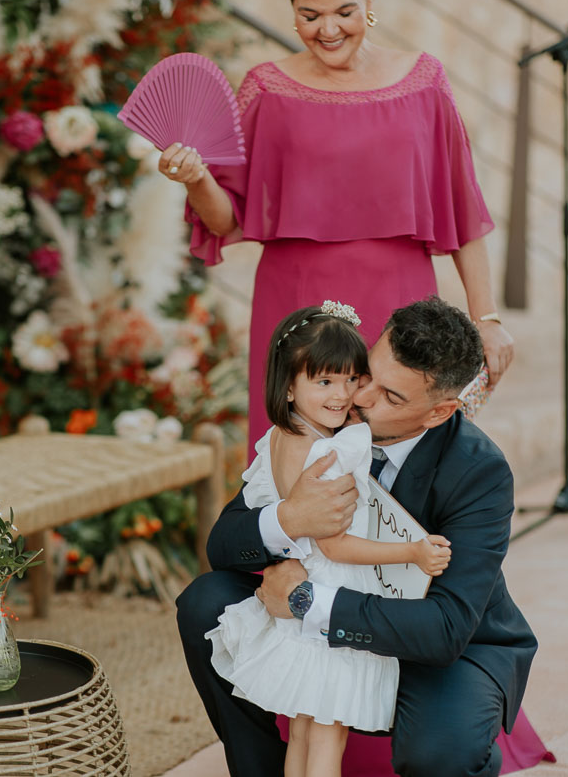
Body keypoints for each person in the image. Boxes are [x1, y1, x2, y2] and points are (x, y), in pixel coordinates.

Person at [177, 297, 541, 777]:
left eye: (392, 397)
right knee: (207, 604)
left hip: (437, 644)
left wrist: (310, 602)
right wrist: (290, 519)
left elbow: (446, 628)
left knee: (443, 753)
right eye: (366, 373)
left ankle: (467, 747)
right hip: (338, 614)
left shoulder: (479, 472)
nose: (360, 398)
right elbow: (223, 544)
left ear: (438, 412)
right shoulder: (318, 428)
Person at [157, 0, 515, 455]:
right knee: (299, 455)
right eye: (310, 16)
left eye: (343, 12)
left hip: (400, 300)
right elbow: (225, 217)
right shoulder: (265, 88)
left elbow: (461, 206)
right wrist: (196, 178)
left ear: (368, 2)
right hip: (296, 300)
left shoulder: (425, 81)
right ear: (292, 12)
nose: (328, 30)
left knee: (398, 452)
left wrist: (486, 319)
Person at [206, 301, 452, 777]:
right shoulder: (328, 451)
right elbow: (335, 545)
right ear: (289, 385)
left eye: (350, 379)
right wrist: (412, 552)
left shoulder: (280, 437)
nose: (343, 396)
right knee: (327, 739)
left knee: (303, 730)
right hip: (331, 603)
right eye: (324, 381)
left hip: (301, 604)